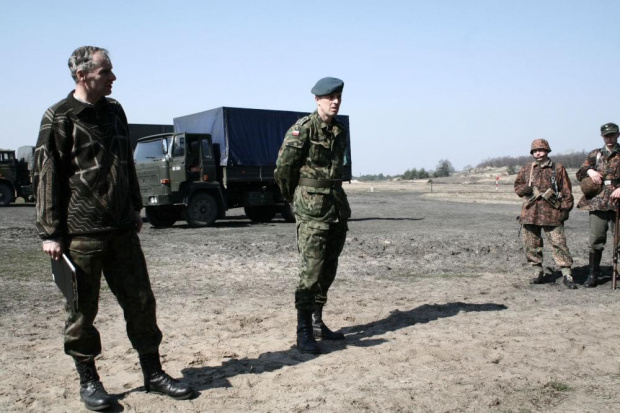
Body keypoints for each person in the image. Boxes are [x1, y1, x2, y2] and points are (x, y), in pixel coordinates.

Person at [33, 46, 193, 411]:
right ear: (83, 75)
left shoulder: (116, 110)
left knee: (141, 304)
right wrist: (50, 233)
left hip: (122, 230)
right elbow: (46, 175)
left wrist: (135, 206)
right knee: (81, 313)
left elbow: (125, 162)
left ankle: (153, 373)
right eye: (106, 71)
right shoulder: (59, 118)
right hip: (80, 236)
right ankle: (89, 382)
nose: (113, 78)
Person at [275, 77, 351, 354]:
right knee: (311, 271)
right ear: (317, 100)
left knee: (329, 267)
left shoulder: (339, 132)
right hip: (311, 210)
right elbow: (283, 170)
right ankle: (303, 330)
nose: (335, 101)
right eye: (329, 97)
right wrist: (296, 199)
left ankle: (318, 321)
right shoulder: (303, 129)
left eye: (338, 97)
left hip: (335, 208)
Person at [514, 139, 576, 288]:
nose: (538, 153)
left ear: (547, 151)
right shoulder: (527, 169)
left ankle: (567, 274)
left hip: (552, 213)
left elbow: (567, 191)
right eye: (535, 151)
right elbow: (517, 187)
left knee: (559, 244)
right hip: (530, 213)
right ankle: (537, 272)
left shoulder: (558, 168)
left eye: (541, 150)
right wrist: (524, 190)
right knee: (530, 244)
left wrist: (565, 210)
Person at [575, 122, 620, 287]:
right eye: (606, 135)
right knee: (596, 239)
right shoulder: (595, 154)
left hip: (618, 202)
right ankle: (593, 274)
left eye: (613, 135)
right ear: (602, 136)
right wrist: (590, 170)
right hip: (598, 203)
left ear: (618, 135)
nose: (609, 138)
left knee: (619, 240)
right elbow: (580, 173)